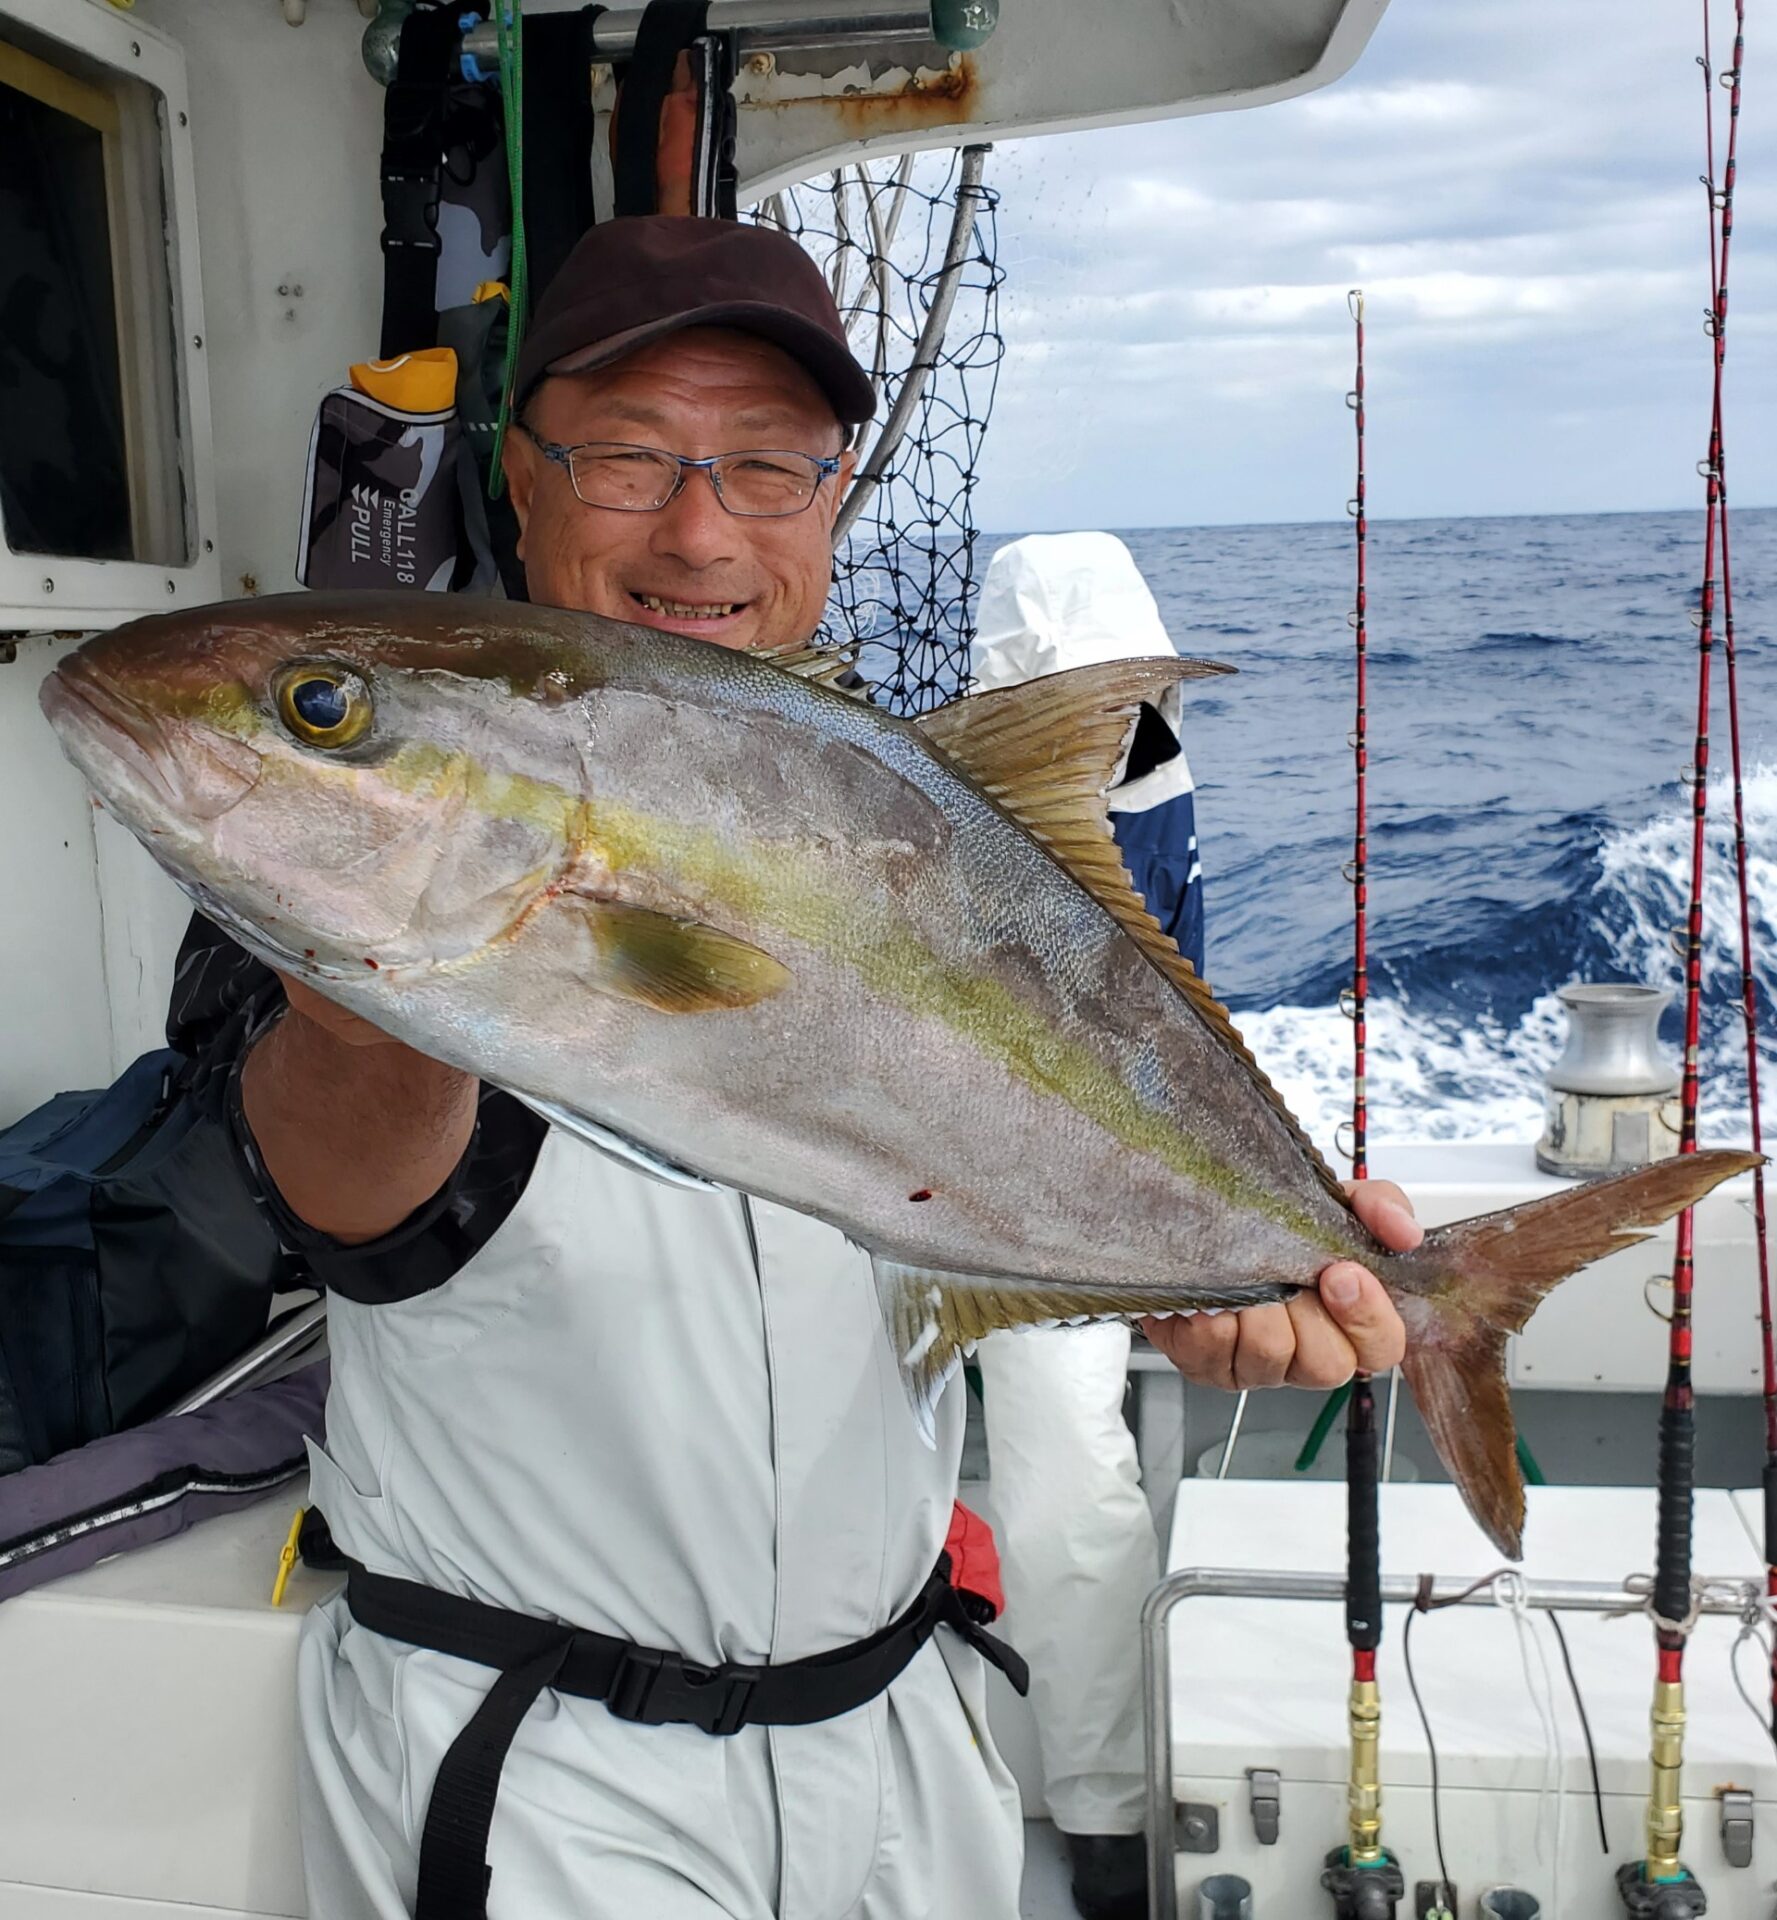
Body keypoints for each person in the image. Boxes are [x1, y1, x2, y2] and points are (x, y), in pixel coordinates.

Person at [172, 217, 1417, 1918]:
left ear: (833, 502)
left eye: (767, 466)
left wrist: (1195, 1277)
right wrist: (391, 947)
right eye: (626, 458)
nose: (700, 528)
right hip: (545, 1786)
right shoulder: (349, 871)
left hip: (908, 1748)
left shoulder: (926, 833)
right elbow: (345, 1198)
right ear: (517, 484)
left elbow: (1018, 1167)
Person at [970, 531, 1204, 1920]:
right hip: (905, 1167)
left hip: (1063, 1201)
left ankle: (1106, 1815)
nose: (1105, 725)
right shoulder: (973, 791)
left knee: (1067, 1481)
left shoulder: (1153, 789)